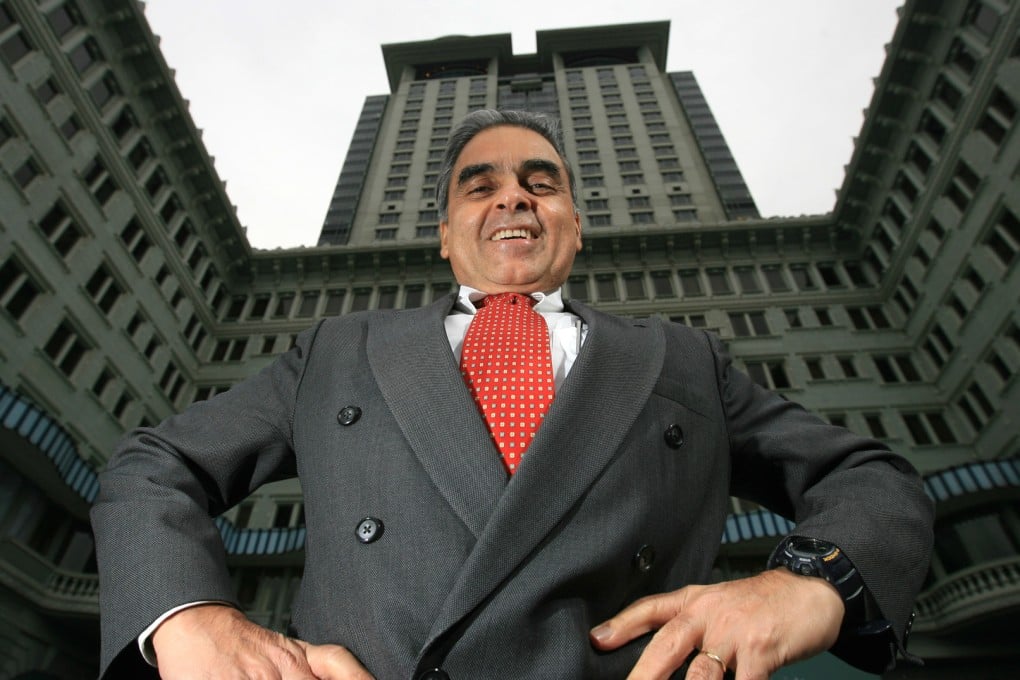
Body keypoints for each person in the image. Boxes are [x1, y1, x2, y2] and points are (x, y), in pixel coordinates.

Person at [91, 109, 934, 680]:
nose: (513, 196)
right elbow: (156, 464)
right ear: (447, 237)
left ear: (573, 221)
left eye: (542, 180)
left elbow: (871, 476)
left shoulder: (684, 358)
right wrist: (188, 615)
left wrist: (803, 584)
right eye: (479, 184)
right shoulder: (338, 351)